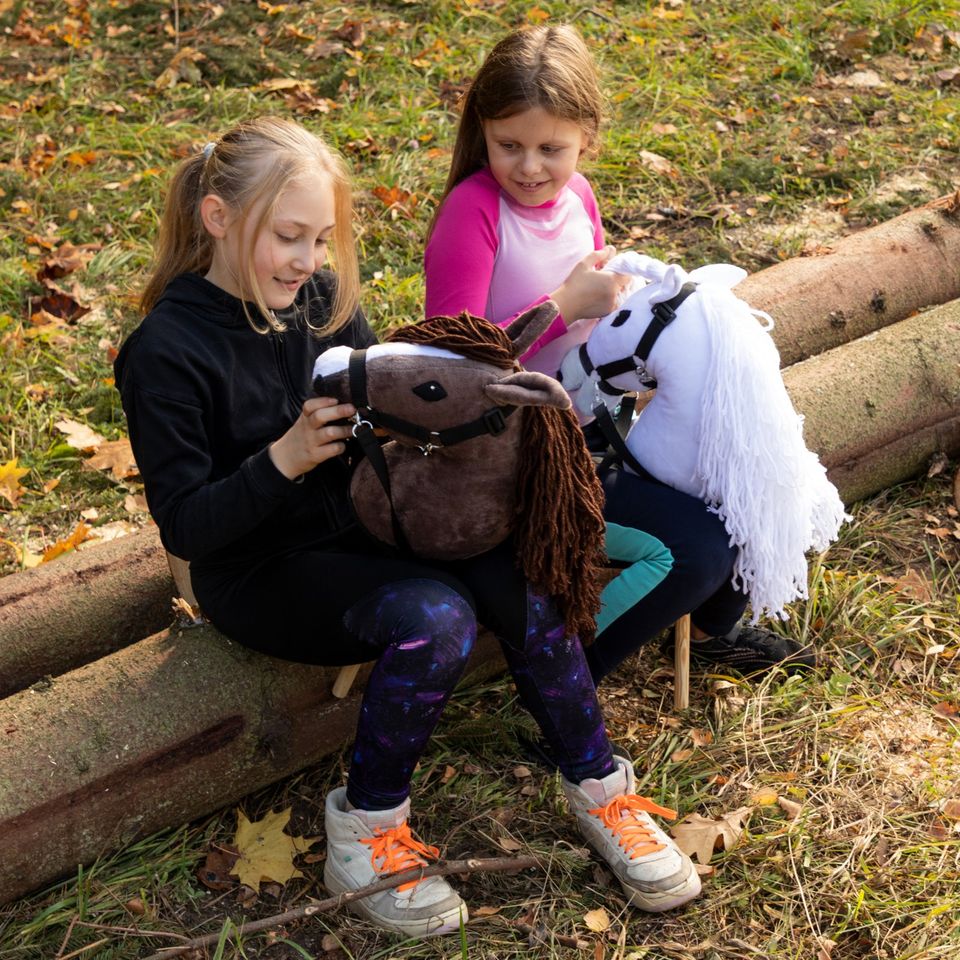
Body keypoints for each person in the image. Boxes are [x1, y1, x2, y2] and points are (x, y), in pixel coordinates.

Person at [114, 116, 702, 939]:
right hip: (258, 567)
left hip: (367, 517)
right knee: (435, 618)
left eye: (320, 239)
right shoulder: (165, 352)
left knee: (527, 573)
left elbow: (383, 406)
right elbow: (188, 527)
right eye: (289, 237)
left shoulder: (316, 299)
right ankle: (365, 832)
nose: (311, 262)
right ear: (218, 218)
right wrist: (281, 459)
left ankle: (601, 788)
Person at [423, 24, 817, 687]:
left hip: (600, 429)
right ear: (482, 130)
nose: (528, 167)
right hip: (516, 460)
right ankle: (561, 686)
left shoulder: (577, 197)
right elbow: (446, 367)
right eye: (508, 145)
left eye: (552, 148)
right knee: (693, 551)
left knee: (745, 481)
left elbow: (600, 317)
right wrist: (563, 306)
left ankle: (711, 630)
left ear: (588, 137)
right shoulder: (473, 213)